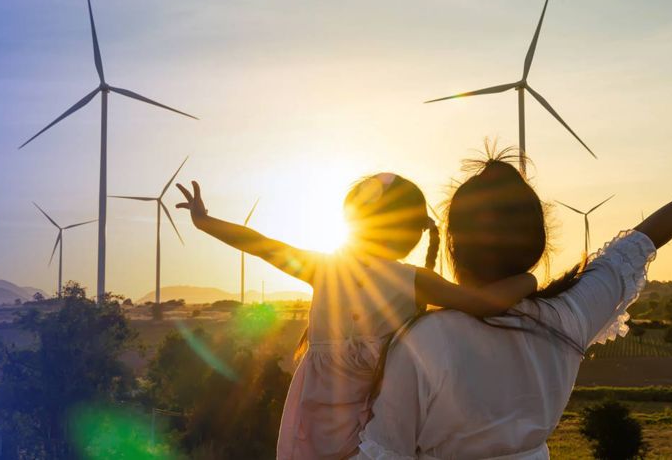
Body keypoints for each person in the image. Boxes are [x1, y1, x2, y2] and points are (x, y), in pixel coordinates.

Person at [355, 136, 672, 459]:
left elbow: (384, 451)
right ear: (537, 244)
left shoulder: (423, 342)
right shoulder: (567, 316)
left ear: (453, 245)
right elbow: (643, 240)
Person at [174, 174, 539, 459]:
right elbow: (482, 303)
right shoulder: (413, 281)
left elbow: (259, 245)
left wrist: (205, 221)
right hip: (376, 424)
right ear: (410, 232)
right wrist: (528, 279)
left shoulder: (324, 268)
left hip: (319, 419)